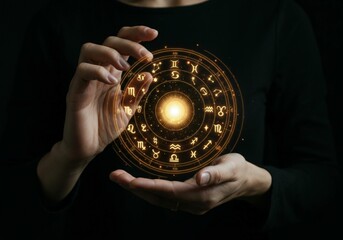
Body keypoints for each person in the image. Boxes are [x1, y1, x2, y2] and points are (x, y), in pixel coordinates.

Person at [0, 0, 340, 239]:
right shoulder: (59, 23)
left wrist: (255, 185)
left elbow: (321, 179)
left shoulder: (275, 17)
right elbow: (12, 207)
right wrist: (70, 156)